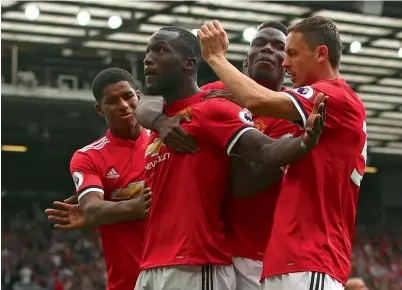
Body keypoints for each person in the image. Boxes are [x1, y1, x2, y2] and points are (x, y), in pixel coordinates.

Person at [134, 26, 326, 290]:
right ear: (244, 63)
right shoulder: (215, 94)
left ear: (287, 66)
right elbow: (151, 104)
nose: (267, 49)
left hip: (256, 254)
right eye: (258, 43)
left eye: (278, 47)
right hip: (207, 249)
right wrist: (161, 122)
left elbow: (246, 183)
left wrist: (226, 132)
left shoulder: (289, 118)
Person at [198, 17, 366, 290]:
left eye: (291, 53)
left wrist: (216, 58)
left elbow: (256, 100)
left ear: (320, 53)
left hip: (311, 257)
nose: (285, 64)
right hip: (286, 260)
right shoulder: (313, 109)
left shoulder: (334, 97)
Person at [45, 68, 151, 290]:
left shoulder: (166, 139)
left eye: (128, 96)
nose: (123, 105)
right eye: (112, 101)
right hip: (127, 283)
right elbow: (92, 209)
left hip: (178, 275)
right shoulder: (89, 157)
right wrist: (135, 206)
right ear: (99, 110)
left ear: (138, 97)